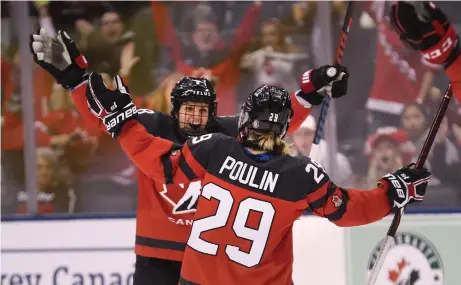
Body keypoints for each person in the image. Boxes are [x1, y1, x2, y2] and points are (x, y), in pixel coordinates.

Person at [29, 29, 347, 285]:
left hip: (205, 259)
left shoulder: (225, 135)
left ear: (212, 112)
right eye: (188, 109)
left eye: (202, 110)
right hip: (156, 255)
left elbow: (273, 121)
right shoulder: (151, 125)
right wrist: (75, 79)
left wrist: (309, 93)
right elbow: (106, 116)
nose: (195, 117)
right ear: (174, 109)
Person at [84, 76, 431, 285]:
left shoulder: (213, 148)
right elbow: (349, 210)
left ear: (245, 119)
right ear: (283, 129)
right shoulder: (300, 175)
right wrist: (394, 191)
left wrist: (122, 122)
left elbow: (161, 165)